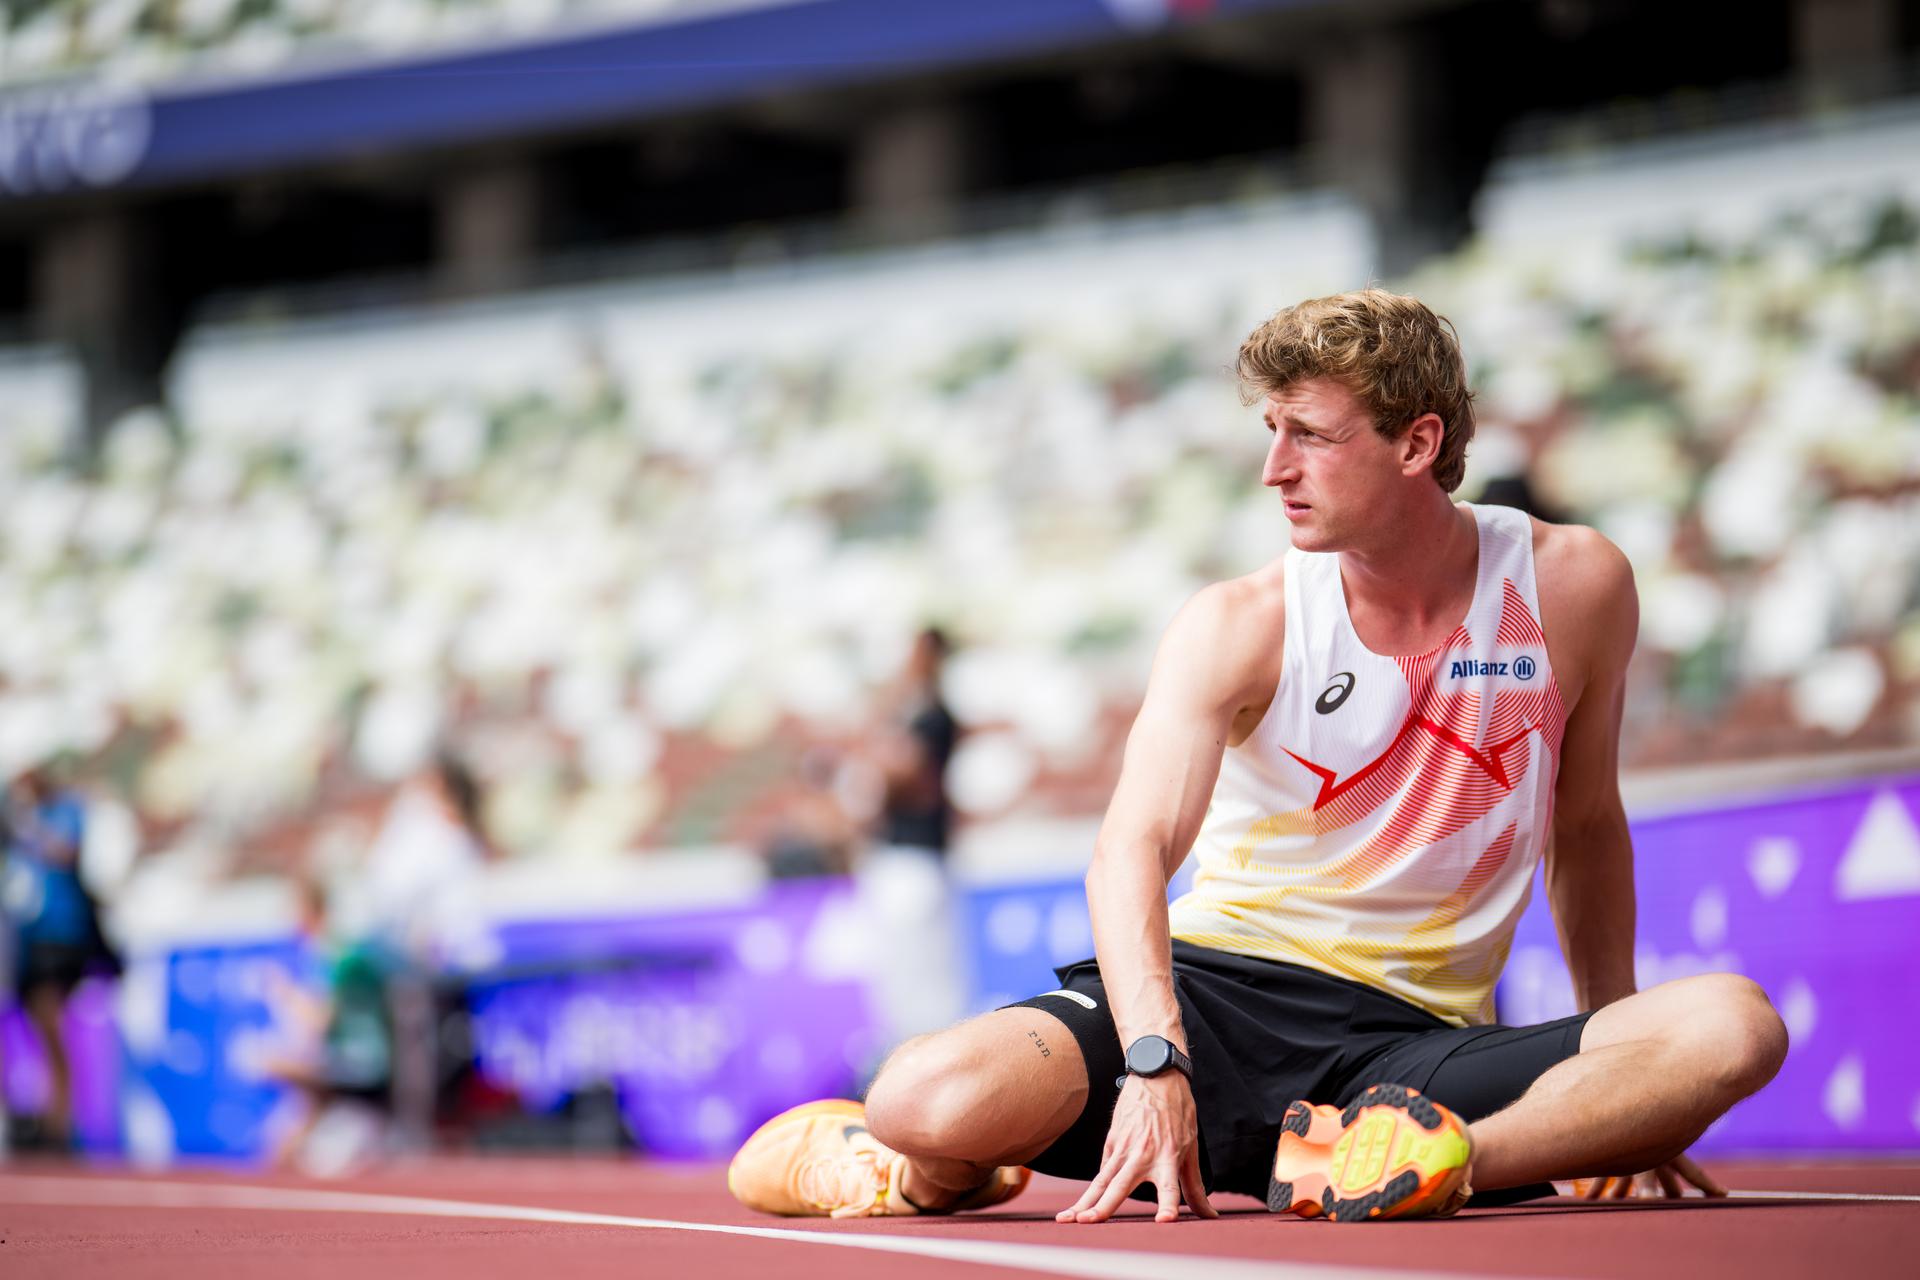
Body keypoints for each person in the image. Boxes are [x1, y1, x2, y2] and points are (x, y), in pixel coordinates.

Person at [724, 289, 1789, 1224]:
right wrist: (1155, 1058)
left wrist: (1617, 1067)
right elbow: (1132, 848)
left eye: (1310, 435)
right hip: (1214, 1001)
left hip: (1415, 1051)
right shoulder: (1242, 621)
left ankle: (1427, 1163)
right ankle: (910, 1171)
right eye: (1273, 430)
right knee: (925, 1096)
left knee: (1733, 1026)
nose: (1275, 469)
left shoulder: (1576, 585)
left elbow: (1586, 824)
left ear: (1417, 444)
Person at [2, 765, 120, 1153]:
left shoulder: (64, 811)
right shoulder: (22, 824)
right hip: (27, 940)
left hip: (60, 937)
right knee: (37, 1027)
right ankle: (41, 1120)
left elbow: (66, 852)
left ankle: (59, 1124)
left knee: (51, 1023)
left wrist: (29, 828)